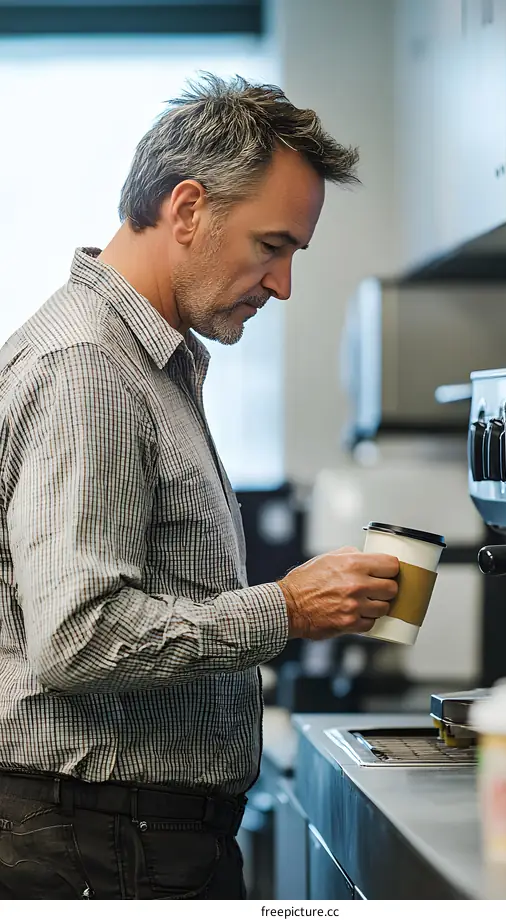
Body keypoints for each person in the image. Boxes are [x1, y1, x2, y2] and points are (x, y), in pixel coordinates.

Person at [0, 73, 400, 900]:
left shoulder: (148, 364)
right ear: (187, 210)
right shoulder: (91, 371)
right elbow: (79, 635)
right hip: (97, 849)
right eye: (272, 246)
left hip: (124, 840)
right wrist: (285, 610)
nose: (283, 284)